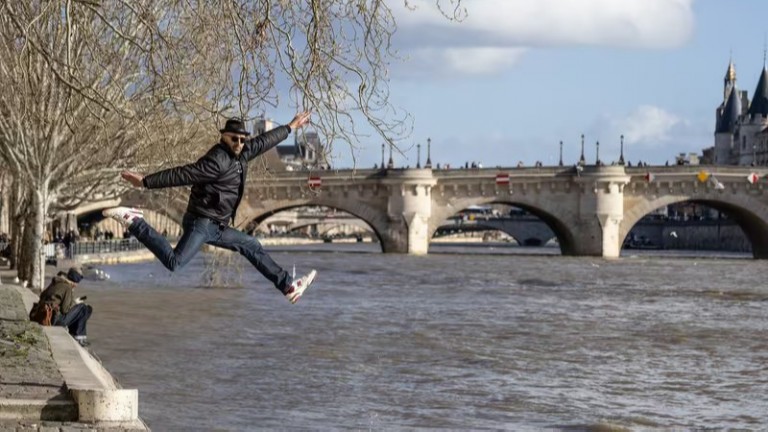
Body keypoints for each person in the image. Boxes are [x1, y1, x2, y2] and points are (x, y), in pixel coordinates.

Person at [102, 113, 317, 304]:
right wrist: (145, 182)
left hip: (217, 226)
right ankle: (134, 222)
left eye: (242, 139)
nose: (239, 143)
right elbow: (183, 174)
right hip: (201, 222)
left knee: (252, 245)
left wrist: (290, 127)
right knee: (175, 263)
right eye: (234, 139)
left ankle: (288, 286)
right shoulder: (217, 161)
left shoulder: (242, 153)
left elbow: (263, 142)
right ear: (224, 137)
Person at [39, 267, 92, 347]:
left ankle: (75, 334)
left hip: (44, 315)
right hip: (55, 320)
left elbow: (42, 295)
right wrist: (75, 303)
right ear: (74, 282)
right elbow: (65, 310)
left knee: (82, 309)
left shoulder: (55, 282)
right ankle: (79, 338)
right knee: (84, 308)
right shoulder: (67, 287)